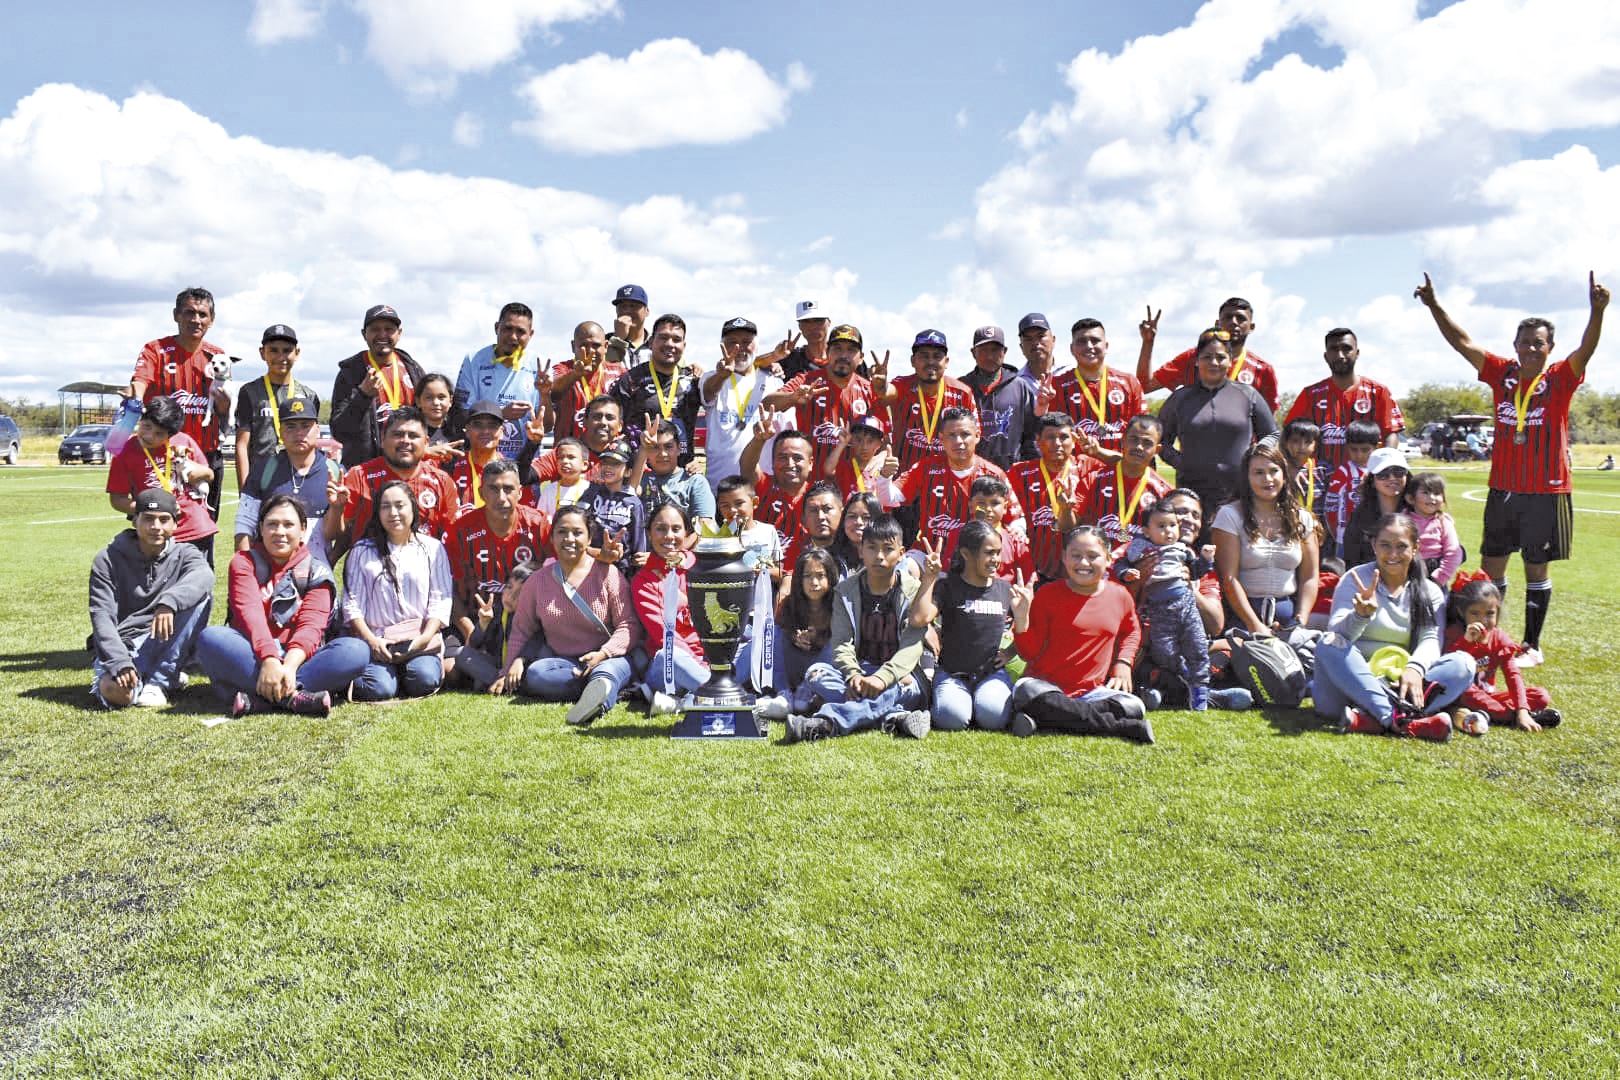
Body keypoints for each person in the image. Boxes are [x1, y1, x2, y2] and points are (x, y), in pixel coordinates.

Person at [1415, 271, 1609, 665]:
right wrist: (1435, 305)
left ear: (1550, 347)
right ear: (1516, 346)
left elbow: (1586, 349)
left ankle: (1532, 646)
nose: (1531, 350)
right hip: (1504, 487)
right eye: (1525, 343)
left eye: (1539, 344)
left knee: (1537, 568)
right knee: (1492, 565)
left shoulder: (1560, 378)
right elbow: (1461, 342)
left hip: (1546, 489)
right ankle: (1492, 639)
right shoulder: (1500, 373)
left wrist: (1597, 311)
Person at [195, 494, 369, 717]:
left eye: (288, 525)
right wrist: (268, 659)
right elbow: (251, 617)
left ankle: (261, 699)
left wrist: (288, 667)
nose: (280, 532)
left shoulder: (317, 571)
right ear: (261, 527)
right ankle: (295, 698)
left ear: (303, 530)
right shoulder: (244, 562)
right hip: (253, 653)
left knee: (356, 651)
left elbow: (311, 628)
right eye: (272, 524)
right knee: (211, 638)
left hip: (299, 658)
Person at [1313, 514, 1476, 740]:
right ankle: (1396, 718)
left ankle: (1373, 719)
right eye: (1385, 546)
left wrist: (1415, 668)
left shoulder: (1429, 591)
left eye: (1401, 547)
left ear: (1416, 548)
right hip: (1348, 687)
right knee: (1327, 643)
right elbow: (1337, 637)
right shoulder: (1355, 579)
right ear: (1373, 545)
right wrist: (1360, 615)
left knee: (1464, 664)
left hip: (1398, 682)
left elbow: (1430, 640)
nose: (1392, 555)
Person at [781, 513, 931, 742]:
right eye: (871, 548)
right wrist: (853, 676)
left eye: (887, 549)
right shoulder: (846, 591)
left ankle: (826, 723)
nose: (879, 556)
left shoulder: (913, 591)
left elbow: (911, 649)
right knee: (815, 674)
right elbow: (842, 643)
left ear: (901, 554)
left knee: (898, 687)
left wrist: (882, 678)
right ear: (861, 550)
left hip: (902, 677)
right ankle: (895, 717)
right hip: (860, 674)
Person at [1008, 526, 1154, 743]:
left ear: (1107, 559)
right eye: (1075, 556)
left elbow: (1132, 631)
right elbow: (1030, 654)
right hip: (1045, 687)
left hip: (1092, 692)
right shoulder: (1048, 594)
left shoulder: (1120, 595)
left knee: (1134, 706)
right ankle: (1121, 728)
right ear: (1064, 559)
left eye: (1093, 556)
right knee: (1028, 693)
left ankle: (1047, 720)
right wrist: (1021, 619)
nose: (1083, 563)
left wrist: (1123, 662)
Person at [497, 504, 640, 726]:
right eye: (562, 532)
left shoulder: (608, 574)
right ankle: (599, 690)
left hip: (608, 658)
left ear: (589, 538)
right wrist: (508, 669)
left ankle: (598, 696)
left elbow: (628, 625)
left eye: (577, 532)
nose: (569, 539)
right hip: (565, 665)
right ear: (552, 538)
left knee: (607, 672)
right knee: (536, 674)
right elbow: (522, 630)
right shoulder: (537, 582)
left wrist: (602, 654)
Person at [87, 488, 214, 708]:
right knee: (118, 693)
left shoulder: (186, 553)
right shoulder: (107, 559)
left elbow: (204, 576)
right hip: (125, 642)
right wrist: (119, 662)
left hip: (164, 638)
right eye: (148, 519)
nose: (156, 527)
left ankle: (159, 681)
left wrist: (169, 602)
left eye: (164, 520)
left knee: (201, 596)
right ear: (135, 521)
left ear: (175, 524)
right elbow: (102, 617)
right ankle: (152, 675)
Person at [126, 286, 231, 524]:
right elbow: (140, 381)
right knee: (157, 526)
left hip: (206, 454)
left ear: (211, 320)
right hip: (162, 456)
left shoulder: (216, 355)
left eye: (202, 315)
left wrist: (224, 402)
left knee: (204, 525)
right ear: (176, 315)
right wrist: (134, 397)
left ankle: (204, 563)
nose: (196, 320)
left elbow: (223, 408)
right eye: (189, 313)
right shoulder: (156, 350)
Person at [343, 481, 453, 701]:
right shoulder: (362, 550)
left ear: (413, 508)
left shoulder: (432, 548)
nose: (393, 513)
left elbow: (440, 601)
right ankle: (384, 676)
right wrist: (372, 642)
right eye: (385, 506)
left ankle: (405, 672)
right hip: (377, 640)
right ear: (377, 512)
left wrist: (425, 638)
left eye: (399, 505)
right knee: (379, 690)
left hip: (418, 640)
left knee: (424, 680)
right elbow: (352, 606)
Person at [1282, 327, 1403, 521]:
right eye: (1333, 349)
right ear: (1326, 356)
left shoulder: (1377, 392)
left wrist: (1380, 471)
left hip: (1365, 485)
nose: (1340, 355)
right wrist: (1292, 467)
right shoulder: (1311, 394)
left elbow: (1391, 432)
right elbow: (1287, 434)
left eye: (1346, 348)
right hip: (1319, 486)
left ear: (1357, 352)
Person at [1158, 328, 1278, 517]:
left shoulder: (1248, 395)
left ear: (1230, 361)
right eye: (1207, 357)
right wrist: (1181, 463)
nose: (1214, 362)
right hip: (1192, 496)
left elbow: (1271, 434)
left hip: (1240, 493)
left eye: (1221, 357)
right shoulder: (1180, 398)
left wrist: (1254, 459)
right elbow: (1160, 441)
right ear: (1197, 361)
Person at [876, 406, 1018, 559]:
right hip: (928, 553)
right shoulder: (926, 468)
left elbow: (1016, 520)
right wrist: (885, 476)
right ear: (941, 438)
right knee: (905, 571)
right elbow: (888, 499)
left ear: (977, 436)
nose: (958, 441)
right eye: (951, 435)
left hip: (975, 560)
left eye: (965, 434)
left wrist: (1017, 532)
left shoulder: (994, 475)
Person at [910, 523, 1014, 732]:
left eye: (997, 553)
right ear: (966, 553)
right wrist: (930, 577)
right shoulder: (948, 585)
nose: (995, 559)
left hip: (990, 675)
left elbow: (1030, 628)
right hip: (952, 674)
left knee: (993, 718)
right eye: (988, 553)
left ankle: (982, 704)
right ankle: (954, 702)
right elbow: (919, 618)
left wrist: (1012, 651)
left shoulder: (1004, 589)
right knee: (952, 720)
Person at [445, 458, 553, 659]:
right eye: (493, 489)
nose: (501, 497)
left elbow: (566, 568)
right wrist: (473, 635)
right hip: (475, 619)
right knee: (451, 670)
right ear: (481, 493)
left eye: (508, 489)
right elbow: (450, 591)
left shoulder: (539, 525)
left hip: (526, 623)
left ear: (520, 492)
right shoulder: (459, 532)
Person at [325, 405, 460, 559]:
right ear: (383, 440)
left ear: (426, 442)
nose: (405, 441)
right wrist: (336, 510)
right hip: (369, 571)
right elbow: (334, 535)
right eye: (398, 434)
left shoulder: (442, 482)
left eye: (413, 435)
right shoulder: (359, 476)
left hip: (425, 573)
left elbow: (453, 540)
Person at [1212, 441, 1320, 634]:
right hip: (1242, 618)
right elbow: (1229, 578)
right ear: (1246, 478)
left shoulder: (1302, 518)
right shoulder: (1229, 516)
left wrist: (1300, 621)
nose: (1267, 479)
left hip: (1289, 618)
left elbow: (1310, 577)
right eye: (1258, 472)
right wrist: (1255, 626)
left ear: (1285, 476)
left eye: (1273, 471)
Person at [1123, 504, 1218, 710]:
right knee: (1164, 651)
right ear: (1147, 531)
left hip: (1185, 603)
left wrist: (1206, 559)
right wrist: (1127, 574)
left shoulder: (1184, 550)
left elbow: (1195, 572)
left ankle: (1201, 696)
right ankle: (1186, 673)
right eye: (1161, 526)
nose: (1168, 531)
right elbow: (1122, 564)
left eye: (1173, 525)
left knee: (1198, 645)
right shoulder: (1140, 548)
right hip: (1159, 608)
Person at [1444, 574, 1560, 733]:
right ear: (1461, 612)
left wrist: (1522, 709)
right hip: (1462, 693)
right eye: (1475, 613)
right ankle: (1514, 717)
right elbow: (1447, 669)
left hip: (1489, 696)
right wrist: (1467, 643)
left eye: (1490, 613)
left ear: (1497, 611)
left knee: (1541, 696)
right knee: (1469, 693)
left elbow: (1513, 674)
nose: (1483, 620)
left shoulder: (1500, 638)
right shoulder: (1454, 634)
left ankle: (1512, 715)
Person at [105, 395, 219, 557]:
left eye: (159, 433)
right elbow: (117, 499)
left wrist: (199, 472)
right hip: (154, 535)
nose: (149, 436)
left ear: (170, 435)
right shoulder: (124, 451)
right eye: (147, 426)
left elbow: (209, 474)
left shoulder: (183, 441)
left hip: (194, 530)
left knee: (198, 580)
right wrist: (149, 510)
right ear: (140, 420)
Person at [235, 393, 341, 565]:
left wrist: (328, 563)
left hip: (317, 577)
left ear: (317, 430)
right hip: (270, 576)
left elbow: (342, 533)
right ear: (280, 432)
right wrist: (245, 570)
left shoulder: (335, 472)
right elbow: (244, 527)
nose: (299, 433)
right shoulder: (263, 470)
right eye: (290, 426)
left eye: (305, 426)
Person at [765, 323, 877, 478]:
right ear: (827, 352)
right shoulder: (807, 380)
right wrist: (793, 397)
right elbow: (767, 403)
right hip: (812, 485)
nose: (843, 356)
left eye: (851, 350)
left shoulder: (869, 390)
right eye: (837, 348)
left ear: (861, 358)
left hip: (853, 487)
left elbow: (883, 442)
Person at [632, 502, 711, 716]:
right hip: (671, 665)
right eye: (660, 529)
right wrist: (701, 666)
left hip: (709, 658)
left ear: (686, 533)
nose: (669, 536)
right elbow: (666, 635)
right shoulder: (644, 582)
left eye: (676, 529)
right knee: (669, 654)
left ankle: (684, 702)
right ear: (649, 534)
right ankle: (723, 699)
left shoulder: (697, 566)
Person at [1138, 297, 1280, 411]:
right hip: (1194, 445)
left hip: (1243, 447)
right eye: (1228, 317)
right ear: (1218, 323)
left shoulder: (1263, 370)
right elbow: (1146, 385)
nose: (1234, 322)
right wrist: (1148, 343)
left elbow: (1269, 425)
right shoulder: (1192, 358)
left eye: (1241, 318)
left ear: (1251, 327)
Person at [330, 304, 424, 469]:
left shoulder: (413, 369)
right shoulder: (351, 373)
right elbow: (339, 430)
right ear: (364, 334)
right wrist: (363, 396)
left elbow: (427, 420)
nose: (382, 335)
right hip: (368, 469)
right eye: (375, 329)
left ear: (399, 333)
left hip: (407, 467)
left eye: (389, 329)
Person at [875, 330, 977, 473]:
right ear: (913, 361)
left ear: (946, 362)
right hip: (905, 478)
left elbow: (975, 436)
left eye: (937, 357)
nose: (930, 362)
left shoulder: (962, 393)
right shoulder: (902, 385)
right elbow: (887, 393)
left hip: (946, 478)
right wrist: (881, 386)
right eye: (924, 356)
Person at [234, 324, 320, 489]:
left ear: (297, 353)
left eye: (287, 350)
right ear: (262, 353)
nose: (281, 357)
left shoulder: (308, 395)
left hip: (297, 479)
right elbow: (242, 444)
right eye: (274, 350)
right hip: (261, 479)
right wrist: (245, 491)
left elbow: (312, 444)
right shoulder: (250, 392)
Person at [609, 314, 703, 463]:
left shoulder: (693, 381)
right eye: (663, 337)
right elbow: (613, 425)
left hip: (681, 473)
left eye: (676, 340)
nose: (670, 344)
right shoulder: (630, 379)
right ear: (652, 342)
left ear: (684, 346)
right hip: (641, 472)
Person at [453, 302, 541, 462]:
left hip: (524, 464)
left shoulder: (538, 363)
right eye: (508, 329)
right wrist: (501, 413)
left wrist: (547, 394)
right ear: (496, 327)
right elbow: (460, 414)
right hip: (482, 461)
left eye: (520, 331)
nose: (513, 337)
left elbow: (546, 424)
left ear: (531, 334)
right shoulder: (474, 360)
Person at [701, 317, 782, 490]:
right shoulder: (711, 377)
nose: (740, 348)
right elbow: (708, 393)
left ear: (757, 345)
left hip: (760, 490)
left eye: (746, 342)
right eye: (733, 342)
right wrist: (722, 375)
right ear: (722, 345)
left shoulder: (773, 380)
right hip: (719, 488)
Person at [1069, 414, 1170, 545]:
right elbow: (1068, 527)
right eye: (1134, 440)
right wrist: (1066, 510)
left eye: (1147, 443)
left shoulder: (1164, 491)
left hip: (1139, 564)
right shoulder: (1093, 480)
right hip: (1096, 562)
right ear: (1123, 441)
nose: (1139, 447)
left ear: (1157, 450)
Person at [1049, 318, 1147, 453]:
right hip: (1076, 471)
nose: (1089, 346)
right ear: (1072, 348)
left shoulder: (1129, 382)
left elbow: (1143, 431)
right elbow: (1047, 433)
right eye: (1082, 341)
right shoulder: (1057, 385)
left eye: (1095, 340)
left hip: (1120, 468)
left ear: (1106, 346)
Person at [761, 548, 840, 714]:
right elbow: (783, 628)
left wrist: (817, 638)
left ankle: (808, 691)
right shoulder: (791, 603)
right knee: (773, 633)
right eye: (807, 576)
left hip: (821, 670)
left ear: (830, 578)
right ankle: (783, 694)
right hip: (794, 664)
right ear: (799, 579)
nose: (814, 582)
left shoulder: (838, 605)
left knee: (836, 642)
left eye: (820, 575)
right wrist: (796, 638)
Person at [1008, 413, 1084, 582]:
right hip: (1031, 567)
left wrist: (1099, 451)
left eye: (1064, 437)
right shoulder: (1019, 472)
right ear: (1038, 440)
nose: (1057, 443)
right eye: (1050, 437)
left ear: (1074, 439)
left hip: (1077, 569)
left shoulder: (1088, 467)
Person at [448, 557, 539, 692]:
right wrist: (483, 624)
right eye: (509, 587)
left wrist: (520, 661)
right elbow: (474, 644)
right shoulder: (498, 610)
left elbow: (535, 644)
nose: (511, 596)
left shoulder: (535, 617)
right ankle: (503, 683)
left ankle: (511, 684)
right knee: (462, 654)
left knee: (534, 672)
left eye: (520, 593)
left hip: (522, 668)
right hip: (497, 666)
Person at [962, 325, 1038, 469]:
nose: (989, 356)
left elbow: (1032, 436)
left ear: (1005, 351)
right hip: (971, 472)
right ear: (973, 353)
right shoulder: (962, 387)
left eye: (995, 350)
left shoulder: (1020, 387)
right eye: (983, 350)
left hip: (1011, 473)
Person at [551, 321, 627, 446]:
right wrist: (575, 374)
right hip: (570, 456)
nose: (590, 351)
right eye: (584, 345)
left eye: (596, 345)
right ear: (573, 345)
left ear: (606, 346)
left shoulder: (619, 372)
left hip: (607, 456)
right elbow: (552, 392)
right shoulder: (563, 369)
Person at [580, 437, 647, 580]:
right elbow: (579, 523)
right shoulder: (592, 492)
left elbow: (638, 543)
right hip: (590, 565)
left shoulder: (633, 503)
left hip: (621, 570)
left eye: (616, 464)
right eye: (605, 463)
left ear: (628, 472)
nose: (608, 468)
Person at [740, 426, 816, 544]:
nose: (790, 464)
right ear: (773, 462)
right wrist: (759, 440)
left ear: (810, 463)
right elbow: (747, 467)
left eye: (797, 458)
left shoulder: (818, 495)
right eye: (783, 457)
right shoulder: (764, 486)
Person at [1339, 448, 1410, 570]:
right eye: (1383, 474)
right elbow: (1352, 560)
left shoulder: (1417, 512)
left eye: (1398, 472)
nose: (1392, 478)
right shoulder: (1359, 517)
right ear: (1372, 480)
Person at [638, 420, 715, 528]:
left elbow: (705, 526)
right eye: (655, 447)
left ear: (679, 449)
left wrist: (681, 545)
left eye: (668, 447)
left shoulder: (695, 481)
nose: (662, 454)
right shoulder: (639, 480)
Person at [1326, 420, 1381, 558]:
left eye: (1365, 450)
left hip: (1376, 537)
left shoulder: (1382, 473)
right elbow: (1330, 506)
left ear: (1377, 447)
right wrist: (1336, 533)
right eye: (1353, 449)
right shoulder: (1343, 472)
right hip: (1346, 538)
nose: (1359, 455)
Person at [1405, 471, 1463, 588]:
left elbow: (1454, 552)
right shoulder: (1402, 519)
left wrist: (1439, 578)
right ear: (1411, 499)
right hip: (1406, 573)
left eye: (1437, 493)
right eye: (1425, 493)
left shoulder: (1443, 522)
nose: (1432, 497)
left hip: (1434, 575)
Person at [823, 412, 891, 501]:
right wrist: (841, 444)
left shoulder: (884, 468)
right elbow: (828, 470)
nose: (864, 447)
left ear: (880, 443)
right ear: (852, 440)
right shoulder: (846, 467)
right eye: (859, 440)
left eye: (870, 441)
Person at [533, 438, 592, 518]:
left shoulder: (589, 489)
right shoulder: (550, 489)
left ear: (584, 465)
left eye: (571, 457)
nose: (565, 461)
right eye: (561, 457)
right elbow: (541, 517)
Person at [1280, 418, 1323, 525]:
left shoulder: (1323, 470)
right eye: (1295, 441)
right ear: (1286, 443)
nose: (1302, 447)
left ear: (1315, 445)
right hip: (1287, 527)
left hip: (1317, 528)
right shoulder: (1279, 469)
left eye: (1308, 442)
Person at [830, 491, 881, 578]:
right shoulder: (828, 559)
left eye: (866, 518)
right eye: (852, 516)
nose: (858, 522)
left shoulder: (888, 561)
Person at [414, 372, 463, 462]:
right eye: (429, 398)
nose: (436, 403)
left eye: (441, 397)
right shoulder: (410, 434)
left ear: (450, 401)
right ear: (418, 401)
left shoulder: (459, 433)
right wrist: (425, 452)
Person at [605, 284, 653, 371]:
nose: (627, 311)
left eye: (634, 306)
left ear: (647, 311)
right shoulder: (603, 343)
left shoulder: (656, 344)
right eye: (623, 306)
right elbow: (605, 369)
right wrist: (618, 339)